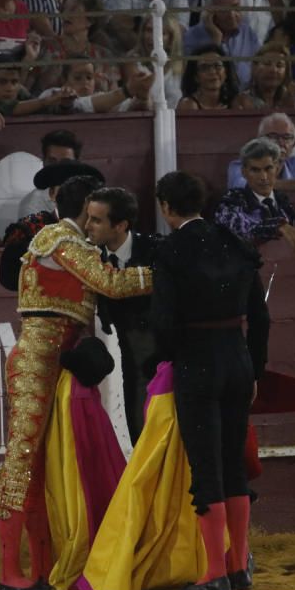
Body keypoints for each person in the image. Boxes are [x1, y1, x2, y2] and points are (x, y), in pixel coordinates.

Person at [0, 172, 152, 590]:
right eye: (95, 215)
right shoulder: (63, 242)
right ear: (86, 211)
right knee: (22, 461)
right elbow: (112, 284)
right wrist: (164, 275)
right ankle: (10, 573)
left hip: (52, 363)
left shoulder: (56, 241)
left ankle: (43, 569)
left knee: (40, 465)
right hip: (37, 362)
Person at [149, 169, 269, 590]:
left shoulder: (170, 251)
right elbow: (262, 317)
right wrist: (254, 368)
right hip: (236, 358)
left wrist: (164, 360)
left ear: (166, 207)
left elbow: (163, 321)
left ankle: (214, 572)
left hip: (197, 361)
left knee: (206, 467)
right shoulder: (235, 243)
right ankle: (239, 566)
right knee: (232, 461)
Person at [84, 186, 160, 444]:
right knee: (138, 431)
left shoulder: (156, 249)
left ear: (120, 226)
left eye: (96, 220)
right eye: (88, 217)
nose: (88, 226)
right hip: (129, 356)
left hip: (165, 357)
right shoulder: (90, 256)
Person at [0, 156, 102, 291]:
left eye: (80, 191)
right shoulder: (30, 228)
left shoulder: (104, 226)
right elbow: (9, 279)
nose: (74, 195)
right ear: (52, 194)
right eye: (66, 188)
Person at [216, 137, 295, 252]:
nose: (263, 177)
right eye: (255, 170)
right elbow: (241, 229)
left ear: (277, 169)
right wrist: (278, 226)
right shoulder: (232, 200)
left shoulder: (283, 201)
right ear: (244, 173)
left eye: (268, 169)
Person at [32, 0, 119, 94]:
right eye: (64, 9)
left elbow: (114, 96)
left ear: (91, 20)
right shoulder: (44, 46)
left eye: (73, 10)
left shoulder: (104, 56)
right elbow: (27, 83)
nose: (65, 15)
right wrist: (30, 65)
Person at [183, 0, 260, 89]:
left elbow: (259, 68)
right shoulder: (191, 38)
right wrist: (216, 39)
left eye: (235, 7)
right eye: (224, 10)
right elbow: (195, 81)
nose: (232, 15)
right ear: (209, 12)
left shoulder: (247, 32)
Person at [232, 41, 295, 110]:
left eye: (279, 65)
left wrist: (292, 99)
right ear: (255, 68)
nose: (273, 70)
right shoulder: (242, 101)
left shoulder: (289, 100)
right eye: (267, 64)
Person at [177, 44, 241, 111]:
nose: (212, 72)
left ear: (226, 73)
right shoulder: (188, 105)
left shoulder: (237, 103)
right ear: (195, 77)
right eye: (204, 67)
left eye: (217, 65)